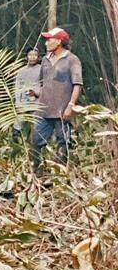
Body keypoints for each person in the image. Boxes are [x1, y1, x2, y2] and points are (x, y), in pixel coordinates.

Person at [29, 27, 82, 170]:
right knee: (35, 141)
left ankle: (61, 174)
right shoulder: (45, 60)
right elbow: (43, 84)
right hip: (44, 110)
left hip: (62, 110)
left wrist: (71, 105)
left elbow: (77, 84)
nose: (46, 43)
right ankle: (37, 173)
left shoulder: (72, 60)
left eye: (49, 40)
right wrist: (36, 94)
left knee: (63, 143)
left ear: (59, 41)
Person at [13, 48, 41, 147]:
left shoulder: (41, 70)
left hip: (37, 103)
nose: (32, 57)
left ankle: (35, 147)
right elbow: (17, 88)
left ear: (38, 57)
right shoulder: (21, 71)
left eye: (35, 55)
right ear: (26, 56)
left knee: (37, 127)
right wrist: (18, 104)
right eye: (30, 55)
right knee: (18, 126)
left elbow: (45, 85)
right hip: (23, 102)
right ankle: (17, 147)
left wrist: (36, 92)